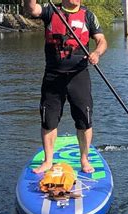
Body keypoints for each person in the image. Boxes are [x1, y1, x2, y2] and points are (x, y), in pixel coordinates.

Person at [25, 0, 107, 174]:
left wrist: (97, 53)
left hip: (79, 75)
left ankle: (84, 160)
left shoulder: (88, 15)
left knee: (84, 119)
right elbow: (32, 8)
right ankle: (48, 161)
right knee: (48, 120)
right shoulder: (50, 11)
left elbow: (101, 40)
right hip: (54, 76)